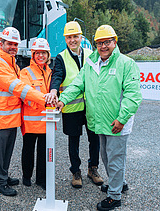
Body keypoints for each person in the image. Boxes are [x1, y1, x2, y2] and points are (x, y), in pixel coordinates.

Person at [56, 25, 142, 210]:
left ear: (115, 41)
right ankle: (119, 183)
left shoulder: (126, 64)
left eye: (107, 42)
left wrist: (122, 119)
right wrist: (63, 100)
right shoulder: (92, 63)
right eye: (99, 43)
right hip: (100, 122)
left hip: (117, 123)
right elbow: (78, 84)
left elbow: (133, 96)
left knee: (115, 158)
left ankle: (114, 196)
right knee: (106, 157)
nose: (103, 46)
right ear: (95, 44)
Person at [0, 27, 47, 197]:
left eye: (15, 44)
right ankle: (0, 183)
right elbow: (18, 87)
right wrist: (43, 99)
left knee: (6, 151)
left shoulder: (11, 63)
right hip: (0, 117)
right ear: (2, 43)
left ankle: (4, 176)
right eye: (9, 43)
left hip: (9, 116)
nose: (13, 47)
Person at [46, 21, 102, 188]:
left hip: (91, 106)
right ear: (65, 39)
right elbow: (57, 76)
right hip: (71, 107)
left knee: (95, 139)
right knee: (74, 141)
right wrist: (54, 92)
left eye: (75, 36)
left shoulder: (91, 54)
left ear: (80, 37)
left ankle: (93, 169)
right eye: (69, 37)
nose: (73, 40)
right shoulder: (61, 57)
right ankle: (75, 171)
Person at [20, 38, 52, 190]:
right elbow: (25, 95)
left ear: (48, 55)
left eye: (43, 53)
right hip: (31, 119)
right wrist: (45, 102)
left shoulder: (50, 72)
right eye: (37, 53)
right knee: (28, 150)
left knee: (44, 152)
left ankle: (41, 179)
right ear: (33, 54)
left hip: (47, 120)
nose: (41, 56)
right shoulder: (25, 72)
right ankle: (26, 176)